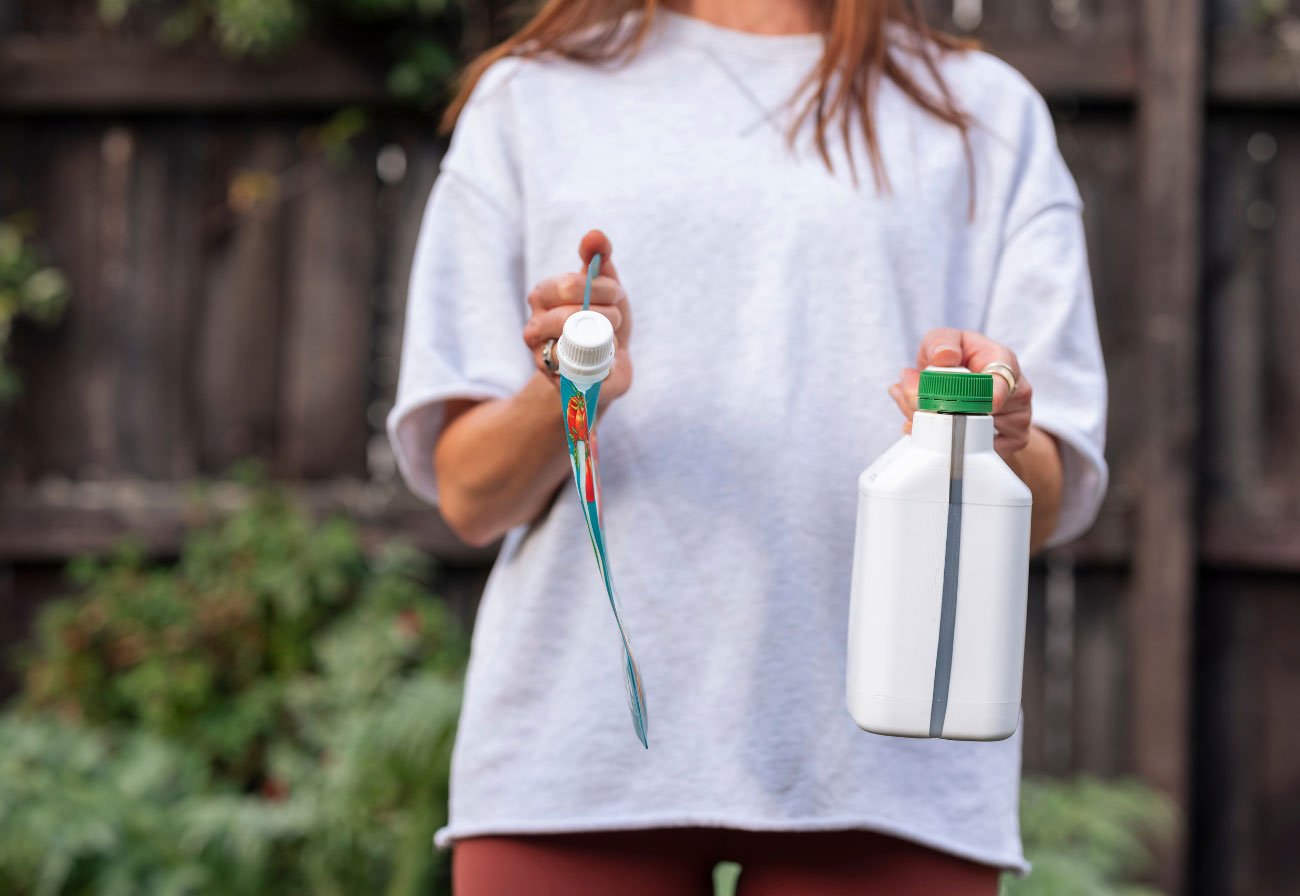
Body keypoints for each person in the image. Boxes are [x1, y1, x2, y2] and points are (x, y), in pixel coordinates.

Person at [388, 0, 1108, 892]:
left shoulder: (984, 112)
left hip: (894, 751)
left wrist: (988, 431)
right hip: (578, 748)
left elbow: (1043, 504)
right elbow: (469, 494)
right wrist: (570, 392)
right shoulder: (531, 98)